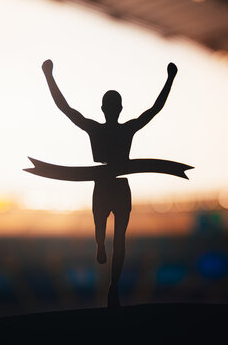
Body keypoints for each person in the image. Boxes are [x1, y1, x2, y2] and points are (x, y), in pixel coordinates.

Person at [41, 59, 178, 307]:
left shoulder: (95, 129)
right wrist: (170, 79)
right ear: (120, 108)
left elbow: (65, 108)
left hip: (104, 184)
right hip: (117, 185)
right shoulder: (126, 129)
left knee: (104, 226)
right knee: (119, 239)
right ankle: (108, 265)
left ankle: (101, 247)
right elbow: (154, 110)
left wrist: (48, 75)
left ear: (103, 108)